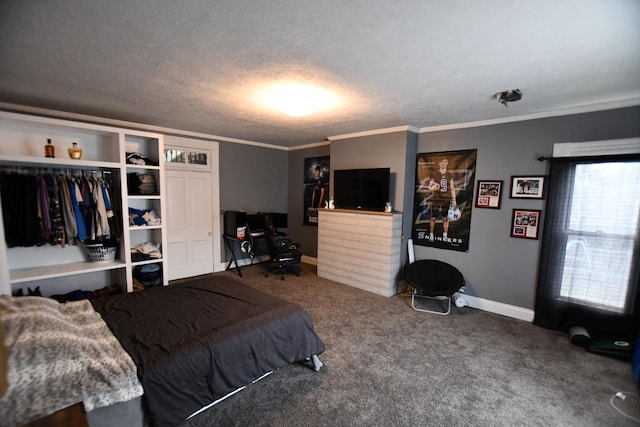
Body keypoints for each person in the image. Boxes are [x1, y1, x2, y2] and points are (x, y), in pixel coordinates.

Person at [421, 157, 456, 242]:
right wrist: (433, 189)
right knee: (433, 217)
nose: (443, 163)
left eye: (445, 161)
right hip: (436, 198)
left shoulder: (450, 174)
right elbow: (430, 186)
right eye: (441, 162)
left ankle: (445, 235)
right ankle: (431, 234)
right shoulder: (435, 173)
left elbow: (452, 187)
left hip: (446, 199)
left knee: (445, 218)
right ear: (439, 163)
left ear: (447, 162)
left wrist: (454, 199)